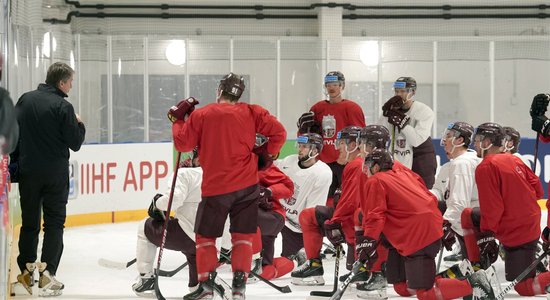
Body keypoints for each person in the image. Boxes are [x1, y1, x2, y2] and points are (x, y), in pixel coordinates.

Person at [170, 72, 286, 300]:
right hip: (248, 186)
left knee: (206, 237)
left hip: (216, 188)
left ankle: (205, 286)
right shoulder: (253, 112)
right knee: (242, 236)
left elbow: (183, 143)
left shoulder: (202, 114)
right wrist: (266, 155)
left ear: (219, 90)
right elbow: (279, 133)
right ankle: (239, 287)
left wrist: (178, 121)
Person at [357, 148, 496, 300]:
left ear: (376, 167)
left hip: (418, 237)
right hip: (428, 231)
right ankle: (460, 274)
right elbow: (426, 196)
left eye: (368, 165)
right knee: (403, 288)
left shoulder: (375, 180)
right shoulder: (405, 175)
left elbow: (375, 216)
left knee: (425, 293)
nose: (366, 170)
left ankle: (475, 283)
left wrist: (368, 241)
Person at [14, 62, 85, 297]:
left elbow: (14, 134)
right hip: (54, 175)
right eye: (71, 82)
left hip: (28, 173)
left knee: (30, 224)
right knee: (54, 224)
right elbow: (75, 143)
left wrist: (15, 166)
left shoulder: (25, 100)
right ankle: (47, 276)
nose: (71, 86)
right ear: (61, 82)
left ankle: (25, 275)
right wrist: (79, 123)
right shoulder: (63, 107)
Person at [461, 122, 550, 296]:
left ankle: (476, 269)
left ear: (487, 142)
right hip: (530, 225)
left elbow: (493, 207)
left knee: (525, 288)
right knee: (469, 215)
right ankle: (478, 269)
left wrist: (487, 235)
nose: (474, 144)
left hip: (515, 230)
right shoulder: (514, 158)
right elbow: (538, 191)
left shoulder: (485, 166)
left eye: (478, 140)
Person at [292, 126, 363, 286]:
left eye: (341, 143)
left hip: (359, 224)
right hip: (354, 220)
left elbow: (351, 204)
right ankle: (314, 265)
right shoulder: (353, 164)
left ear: (352, 146)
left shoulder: (357, 165)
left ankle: (368, 269)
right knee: (309, 215)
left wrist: (335, 221)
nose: (337, 148)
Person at [132, 150, 201, 297]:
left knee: (144, 226)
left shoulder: (186, 174)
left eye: (194, 155)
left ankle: (146, 279)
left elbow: (173, 201)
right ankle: (199, 288)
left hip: (186, 233)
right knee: (195, 253)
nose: (190, 159)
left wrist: (157, 202)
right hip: (212, 238)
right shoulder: (223, 175)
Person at [297, 71, 365, 207]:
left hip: (343, 163)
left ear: (342, 86)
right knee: (321, 200)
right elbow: (307, 138)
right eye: (328, 85)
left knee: (343, 199)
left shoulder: (352, 108)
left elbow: (360, 137)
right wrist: (302, 130)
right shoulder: (317, 108)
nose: (332, 88)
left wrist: (356, 158)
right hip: (322, 162)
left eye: (335, 84)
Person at [273, 132, 332, 284]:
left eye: (305, 146)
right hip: (279, 215)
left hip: (297, 227)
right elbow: (270, 166)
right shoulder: (288, 161)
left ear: (315, 151)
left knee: (288, 260)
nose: (300, 149)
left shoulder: (322, 173)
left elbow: (311, 212)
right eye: (300, 145)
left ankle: (301, 253)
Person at [429, 122, 480, 263]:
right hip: (464, 222)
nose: (444, 139)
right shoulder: (450, 166)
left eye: (449, 136)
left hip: (471, 224)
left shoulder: (463, 164)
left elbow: (459, 203)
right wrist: (419, 195)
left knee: (473, 268)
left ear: (460, 140)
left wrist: (446, 225)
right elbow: (439, 192)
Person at [378, 77, 436, 188]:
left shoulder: (424, 111)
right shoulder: (392, 109)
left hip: (421, 158)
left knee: (422, 193)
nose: (399, 94)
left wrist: (402, 123)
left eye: (403, 91)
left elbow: (416, 140)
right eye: (396, 91)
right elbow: (382, 133)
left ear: (413, 92)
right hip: (399, 157)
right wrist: (386, 114)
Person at [252, 158, 294, 281]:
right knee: (266, 269)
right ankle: (296, 260)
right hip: (258, 224)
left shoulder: (259, 164)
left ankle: (255, 260)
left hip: (271, 216)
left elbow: (288, 187)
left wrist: (269, 191)